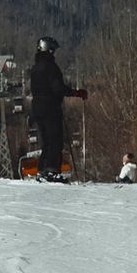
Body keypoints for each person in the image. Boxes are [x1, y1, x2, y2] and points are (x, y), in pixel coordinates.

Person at [27, 37, 86, 183]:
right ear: (50, 50)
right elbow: (57, 88)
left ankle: (42, 169)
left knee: (46, 141)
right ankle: (51, 170)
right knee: (55, 140)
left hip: (37, 108)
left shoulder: (35, 68)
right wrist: (75, 93)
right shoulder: (51, 67)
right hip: (50, 108)